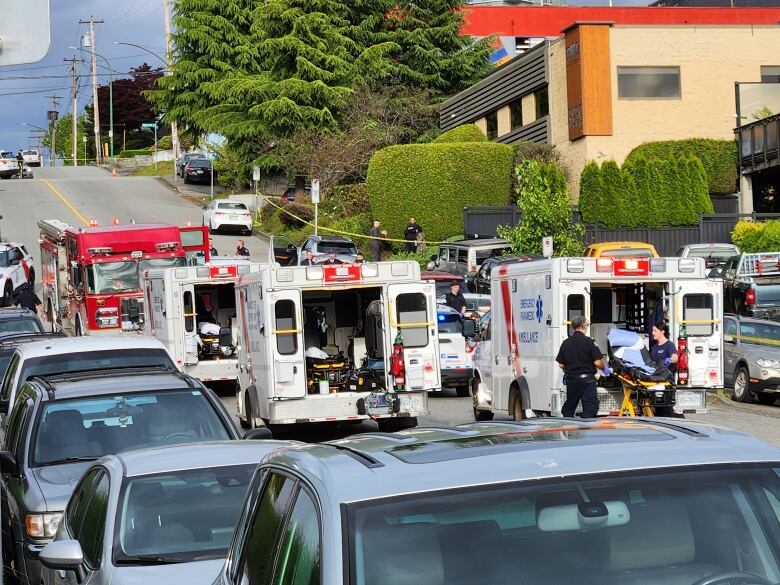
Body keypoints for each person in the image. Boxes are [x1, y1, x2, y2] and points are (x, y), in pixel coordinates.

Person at [555, 316, 607, 419]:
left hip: (572, 380)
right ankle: (586, 429)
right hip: (587, 381)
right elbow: (597, 362)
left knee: (569, 406)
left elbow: (561, 364)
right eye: (587, 325)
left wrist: (570, 369)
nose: (587, 328)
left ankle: (568, 427)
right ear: (583, 326)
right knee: (589, 408)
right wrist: (604, 369)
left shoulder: (566, 343)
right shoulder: (589, 342)